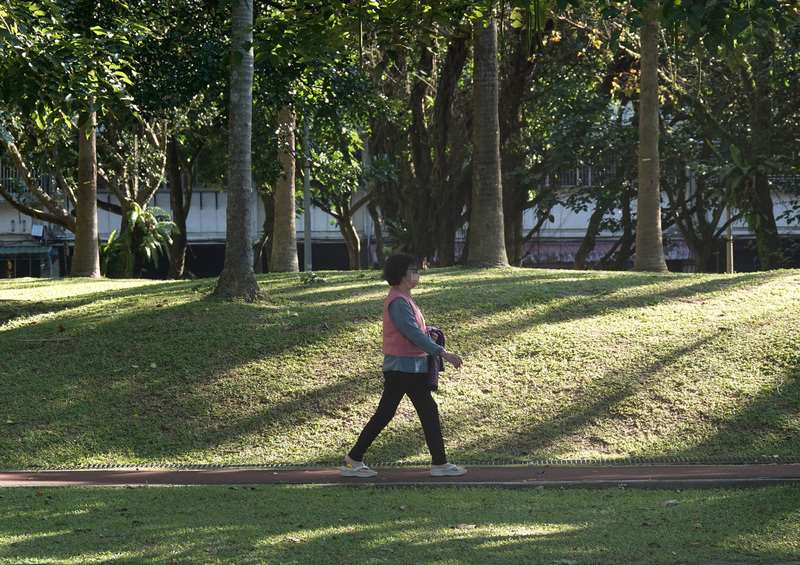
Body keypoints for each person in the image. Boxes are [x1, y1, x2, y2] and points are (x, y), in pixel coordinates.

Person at [341, 253, 467, 478]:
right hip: (402, 369)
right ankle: (438, 463)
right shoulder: (398, 301)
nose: (417, 274)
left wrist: (432, 333)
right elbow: (412, 334)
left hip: (409, 369)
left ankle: (354, 459)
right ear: (401, 275)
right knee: (411, 412)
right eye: (413, 271)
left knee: (400, 412)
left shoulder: (404, 299)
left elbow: (418, 331)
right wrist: (443, 353)